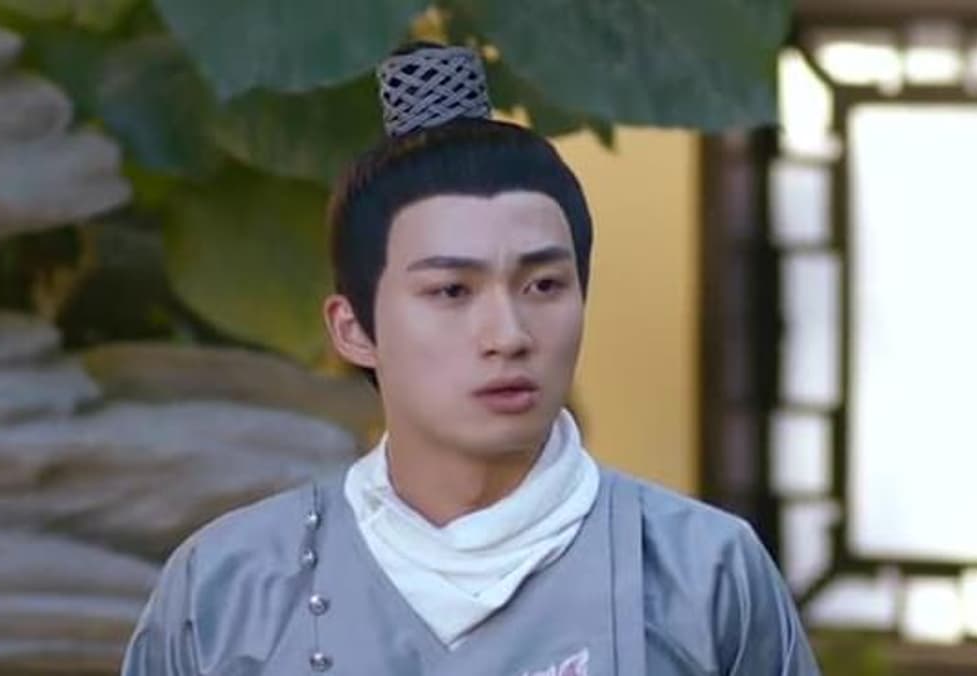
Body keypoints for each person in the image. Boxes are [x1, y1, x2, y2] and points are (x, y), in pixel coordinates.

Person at [121, 43, 820, 676]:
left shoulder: (702, 573)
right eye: (451, 291)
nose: (507, 335)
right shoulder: (229, 585)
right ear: (353, 328)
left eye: (543, 285)